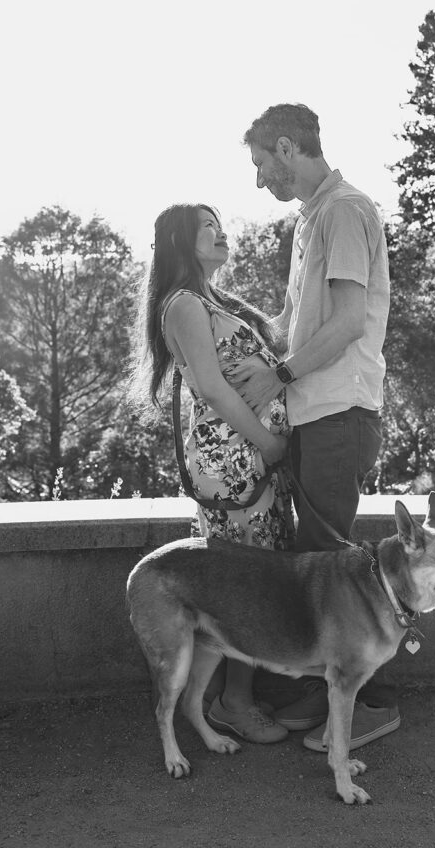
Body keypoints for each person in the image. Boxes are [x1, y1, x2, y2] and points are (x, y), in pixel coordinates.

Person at [231, 103, 399, 753]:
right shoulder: (312, 220)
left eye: (259, 165)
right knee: (317, 567)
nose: (257, 181)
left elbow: (350, 320)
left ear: (285, 147)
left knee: (338, 573)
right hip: (316, 414)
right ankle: (325, 692)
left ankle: (374, 704)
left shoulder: (344, 211)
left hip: (338, 414)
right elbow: (300, 320)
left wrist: (281, 373)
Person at [132, 202, 292, 745]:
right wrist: (269, 442)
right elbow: (213, 389)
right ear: (181, 241)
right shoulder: (182, 305)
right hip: (236, 462)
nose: (222, 233)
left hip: (250, 458)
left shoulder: (212, 301)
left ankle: (236, 695)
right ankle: (234, 702)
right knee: (244, 587)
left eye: (221, 224)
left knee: (259, 576)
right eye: (208, 227)